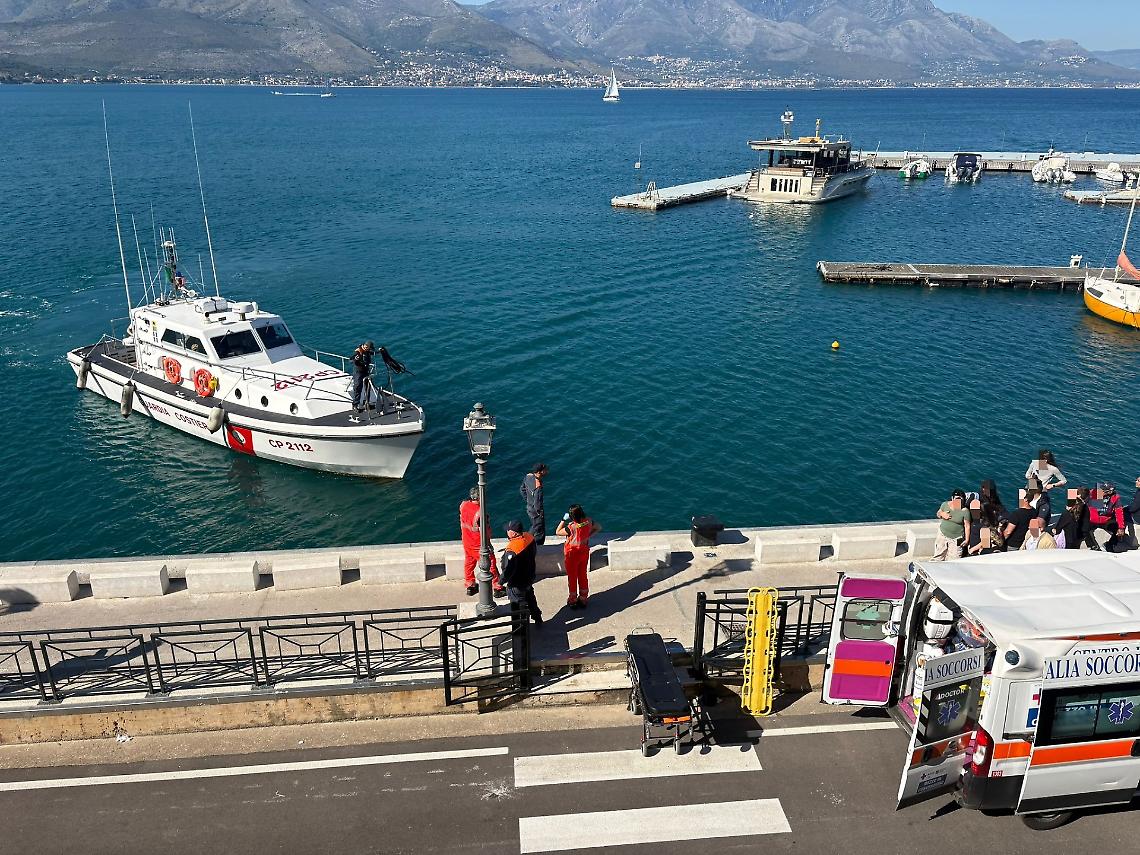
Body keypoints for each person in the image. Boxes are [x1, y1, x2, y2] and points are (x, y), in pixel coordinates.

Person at [458, 487, 505, 599]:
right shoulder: (481, 513)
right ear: (480, 498)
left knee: (469, 563)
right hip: (479, 544)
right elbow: (486, 531)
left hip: (466, 541)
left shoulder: (463, 505)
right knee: (491, 564)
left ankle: (470, 585)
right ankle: (497, 587)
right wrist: (489, 544)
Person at [556, 504, 600, 610]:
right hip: (584, 552)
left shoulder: (571, 527)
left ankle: (573, 599)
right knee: (582, 575)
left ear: (572, 517)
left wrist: (563, 519)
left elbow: (557, 532)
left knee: (572, 577)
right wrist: (588, 535)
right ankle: (583, 598)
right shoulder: (589, 521)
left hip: (572, 554)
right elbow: (598, 527)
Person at [500, 520, 542, 627]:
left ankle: (519, 628)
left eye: (508, 530)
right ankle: (538, 618)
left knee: (517, 605)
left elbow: (509, 569)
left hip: (517, 582)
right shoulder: (529, 537)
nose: (507, 532)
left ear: (513, 533)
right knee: (531, 599)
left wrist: (501, 581)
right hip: (529, 576)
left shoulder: (512, 549)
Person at [933, 490, 971, 561]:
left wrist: (967, 540)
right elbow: (938, 513)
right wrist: (942, 514)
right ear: (952, 498)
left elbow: (967, 526)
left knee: (955, 559)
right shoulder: (945, 505)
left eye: (960, 500)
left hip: (957, 538)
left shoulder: (965, 511)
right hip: (942, 535)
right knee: (938, 556)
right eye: (956, 499)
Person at [1089, 483, 1126, 552]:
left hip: (1105, 520)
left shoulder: (1115, 498)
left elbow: (1119, 513)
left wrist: (1121, 527)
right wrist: (1070, 505)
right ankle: (1094, 546)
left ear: (1109, 492)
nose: (1101, 492)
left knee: (1117, 528)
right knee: (1085, 529)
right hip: (1093, 519)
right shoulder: (1094, 494)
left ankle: (1110, 545)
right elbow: (1074, 491)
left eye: (1104, 491)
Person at [520, 463, 548, 545]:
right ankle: (538, 547)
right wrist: (540, 513)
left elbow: (522, 489)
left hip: (529, 508)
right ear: (540, 472)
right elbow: (537, 503)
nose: (546, 471)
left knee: (534, 526)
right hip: (536, 512)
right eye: (544, 470)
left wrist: (529, 500)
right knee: (540, 531)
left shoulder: (528, 476)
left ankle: (525, 540)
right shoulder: (538, 487)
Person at [350, 341, 375, 411]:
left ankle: (366, 403)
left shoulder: (367, 351)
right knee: (358, 388)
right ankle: (355, 404)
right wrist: (356, 359)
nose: (370, 350)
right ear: (366, 346)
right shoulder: (357, 352)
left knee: (368, 387)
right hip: (358, 372)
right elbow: (350, 360)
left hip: (366, 371)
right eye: (369, 348)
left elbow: (372, 353)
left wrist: (380, 351)